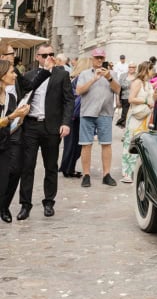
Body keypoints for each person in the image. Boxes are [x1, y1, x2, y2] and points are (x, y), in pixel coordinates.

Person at [16, 43, 74, 218]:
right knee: (27, 166)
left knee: (50, 166)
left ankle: (49, 202)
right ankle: (25, 205)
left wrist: (66, 123)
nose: (49, 57)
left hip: (52, 126)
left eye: (51, 54)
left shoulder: (62, 75)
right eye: (45, 55)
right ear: (37, 57)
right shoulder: (30, 75)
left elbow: (68, 101)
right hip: (31, 125)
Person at [75, 47, 121, 188]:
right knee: (86, 144)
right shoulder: (84, 74)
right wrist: (94, 79)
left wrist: (109, 78)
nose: (100, 60)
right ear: (92, 59)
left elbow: (118, 89)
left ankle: (106, 174)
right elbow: (79, 91)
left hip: (105, 113)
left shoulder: (111, 73)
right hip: (87, 112)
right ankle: (86, 175)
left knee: (106, 144)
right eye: (97, 57)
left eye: (102, 58)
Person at [0, 58, 30, 222]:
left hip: (6, 141)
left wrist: (21, 117)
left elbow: (10, 124)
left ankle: (4, 206)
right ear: (3, 75)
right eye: (12, 72)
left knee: (14, 172)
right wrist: (13, 115)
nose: (15, 76)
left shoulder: (10, 97)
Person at [120, 62, 154, 183]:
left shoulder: (148, 83)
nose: (153, 72)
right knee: (130, 142)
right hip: (135, 117)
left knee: (141, 142)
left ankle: (138, 171)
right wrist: (145, 100)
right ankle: (127, 173)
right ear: (146, 70)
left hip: (145, 116)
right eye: (151, 69)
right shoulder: (137, 82)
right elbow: (131, 99)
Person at [59, 56, 91, 178]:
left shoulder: (74, 78)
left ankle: (67, 167)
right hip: (76, 115)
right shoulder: (80, 79)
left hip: (72, 115)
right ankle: (68, 168)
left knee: (72, 143)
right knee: (74, 144)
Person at [116, 61, 136, 128]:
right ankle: (125, 131)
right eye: (130, 67)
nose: (131, 68)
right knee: (125, 116)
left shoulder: (138, 76)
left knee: (133, 116)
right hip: (125, 98)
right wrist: (117, 99)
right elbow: (118, 87)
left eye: (133, 67)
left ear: (135, 68)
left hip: (135, 99)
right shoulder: (123, 75)